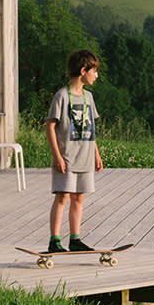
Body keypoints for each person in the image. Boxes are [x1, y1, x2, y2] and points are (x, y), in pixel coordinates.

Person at [45, 50, 103, 253]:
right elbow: (50, 126)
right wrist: (56, 156)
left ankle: (75, 239)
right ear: (83, 70)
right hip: (67, 158)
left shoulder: (89, 97)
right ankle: (54, 240)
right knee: (63, 196)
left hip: (85, 157)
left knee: (79, 197)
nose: (96, 76)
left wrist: (96, 154)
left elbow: (91, 129)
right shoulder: (61, 96)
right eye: (94, 71)